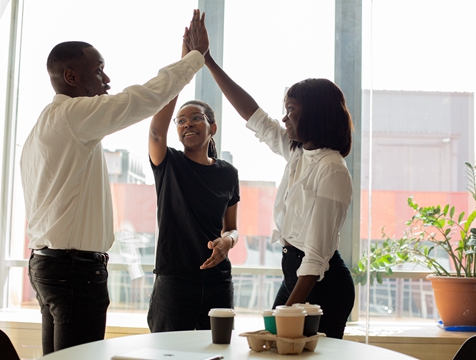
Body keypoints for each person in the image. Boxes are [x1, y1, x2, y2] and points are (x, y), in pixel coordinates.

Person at [20, 10, 209, 354]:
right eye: (99, 70)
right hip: (74, 272)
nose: (107, 79)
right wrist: (195, 59)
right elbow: (140, 99)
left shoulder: (44, 125)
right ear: (72, 77)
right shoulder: (74, 116)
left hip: (48, 264)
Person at [197, 50, 355, 339]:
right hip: (295, 274)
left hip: (320, 283)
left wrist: (286, 314)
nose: (284, 118)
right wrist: (208, 61)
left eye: (291, 109)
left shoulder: (332, 170)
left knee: (283, 347)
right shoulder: (298, 151)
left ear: (314, 113)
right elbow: (255, 117)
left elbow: (317, 256)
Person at [146, 83, 240, 332]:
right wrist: (180, 75)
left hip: (218, 282)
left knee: (218, 350)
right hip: (175, 281)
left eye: (196, 118)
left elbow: (232, 228)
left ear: (213, 128)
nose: (187, 124)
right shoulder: (169, 163)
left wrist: (227, 242)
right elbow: (156, 133)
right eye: (181, 121)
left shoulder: (228, 173)